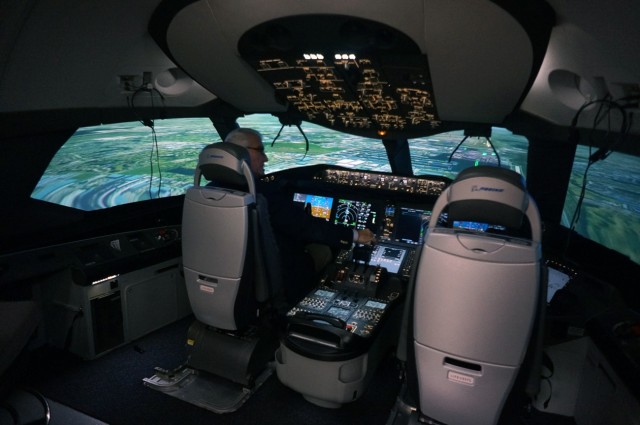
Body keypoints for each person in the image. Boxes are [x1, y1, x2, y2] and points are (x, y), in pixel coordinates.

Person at [224, 127, 376, 305]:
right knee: (325, 250)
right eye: (261, 150)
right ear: (241, 154)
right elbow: (306, 227)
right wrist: (356, 235)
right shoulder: (263, 196)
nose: (266, 158)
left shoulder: (206, 191)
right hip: (272, 274)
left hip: (233, 271)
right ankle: (306, 303)